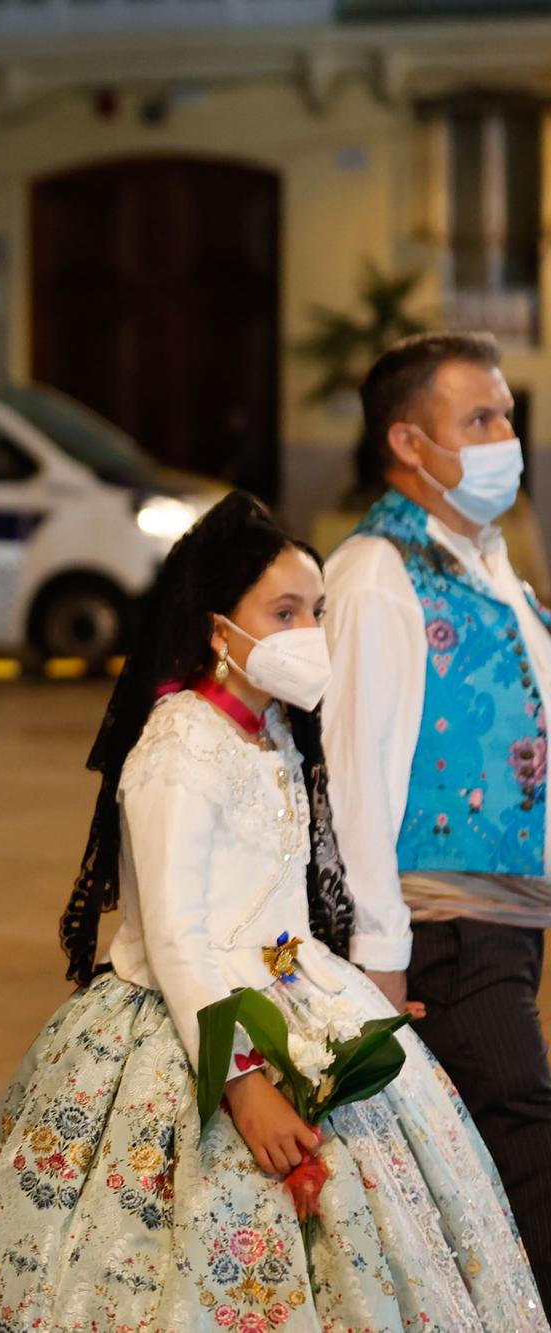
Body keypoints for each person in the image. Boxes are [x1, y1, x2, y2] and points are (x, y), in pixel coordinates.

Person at [0, 492, 543, 1331]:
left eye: (314, 612)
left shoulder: (273, 731)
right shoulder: (179, 745)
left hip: (292, 992)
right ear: (218, 628)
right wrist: (243, 1086)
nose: (307, 633)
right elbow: (177, 938)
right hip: (196, 1029)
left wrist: (348, 996)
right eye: (283, 612)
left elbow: (283, 904)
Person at [323, 329, 551, 1295]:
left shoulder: (489, 563)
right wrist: (380, 960)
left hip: (508, 912)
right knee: (524, 1130)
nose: (509, 437)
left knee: (478, 1157)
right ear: (410, 443)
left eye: (507, 414)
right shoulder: (378, 572)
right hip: (442, 923)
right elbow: (356, 776)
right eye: (483, 418)